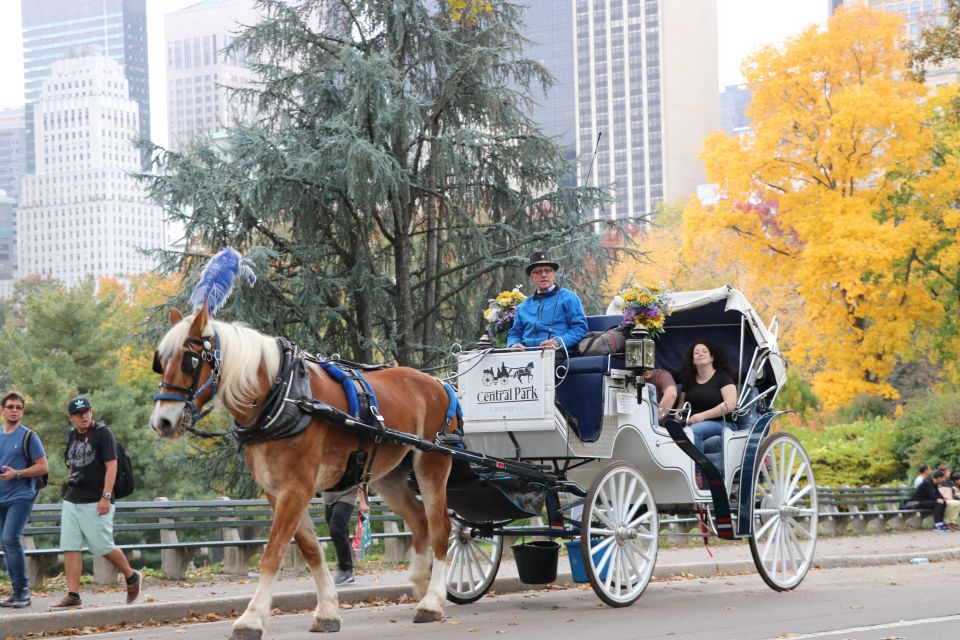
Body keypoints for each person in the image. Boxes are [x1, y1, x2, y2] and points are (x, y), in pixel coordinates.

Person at [50, 396, 141, 609]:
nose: (84, 416)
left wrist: (106, 496)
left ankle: (131, 576)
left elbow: (112, 466)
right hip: (73, 499)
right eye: (79, 414)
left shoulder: (103, 433)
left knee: (102, 546)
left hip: (97, 500)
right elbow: (72, 464)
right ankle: (73, 595)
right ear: (71, 417)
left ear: (91, 412)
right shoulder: (71, 435)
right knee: (70, 546)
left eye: (87, 412)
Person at [0, 391, 48, 608]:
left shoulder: (29, 436)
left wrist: (17, 474)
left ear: (22, 411)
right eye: (10, 406)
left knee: (10, 539)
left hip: (20, 497)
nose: (14, 410)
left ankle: (23, 592)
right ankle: (16, 592)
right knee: (5, 543)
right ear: (2, 410)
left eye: (18, 407)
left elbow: (43, 467)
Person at [677, 341, 738, 489]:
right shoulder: (689, 382)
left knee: (694, 432)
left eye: (704, 351)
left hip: (722, 424)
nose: (700, 353)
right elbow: (681, 407)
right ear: (692, 361)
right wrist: (678, 416)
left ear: (712, 358)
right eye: (696, 352)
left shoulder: (723, 377)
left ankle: (698, 477)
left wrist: (702, 416)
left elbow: (730, 404)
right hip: (693, 423)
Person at [507, 251, 588, 352]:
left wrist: (558, 343)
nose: (544, 275)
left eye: (548, 271)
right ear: (532, 277)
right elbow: (515, 333)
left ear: (553, 275)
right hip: (527, 354)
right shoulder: (522, 307)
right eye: (538, 272)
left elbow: (580, 329)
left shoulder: (569, 298)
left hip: (558, 353)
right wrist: (513, 344)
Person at [321, 486, 357, 586]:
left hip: (347, 495)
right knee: (340, 532)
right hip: (328, 499)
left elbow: (363, 477)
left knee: (336, 529)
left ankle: (345, 569)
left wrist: (364, 501)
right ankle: (348, 573)